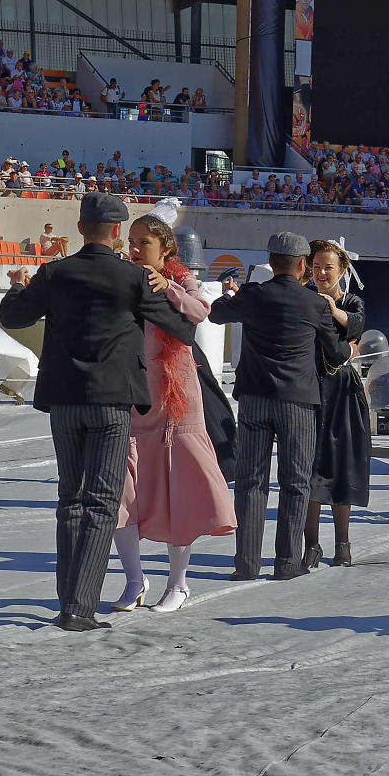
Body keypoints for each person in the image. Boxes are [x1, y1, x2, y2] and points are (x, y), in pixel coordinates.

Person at [0, 192, 198, 628]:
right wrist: (169, 289)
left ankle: (68, 595)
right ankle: (79, 607)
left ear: (81, 228)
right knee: (102, 500)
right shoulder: (132, 277)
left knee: (70, 496)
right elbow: (182, 329)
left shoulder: (55, 273)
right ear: (115, 232)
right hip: (112, 401)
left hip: (64, 399)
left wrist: (18, 282)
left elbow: (12, 316)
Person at [111, 209, 236, 611]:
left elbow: (201, 313)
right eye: (130, 240)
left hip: (176, 398)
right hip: (132, 396)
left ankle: (178, 584)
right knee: (122, 493)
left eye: (142, 242)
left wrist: (168, 287)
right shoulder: (124, 278)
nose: (133, 248)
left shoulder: (180, 279)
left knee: (180, 489)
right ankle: (134, 579)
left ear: (165, 249)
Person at [208, 231, 340, 578]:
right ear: (301, 266)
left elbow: (216, 315)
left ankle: (246, 564)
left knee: (251, 481)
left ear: (270, 262)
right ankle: (286, 563)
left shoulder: (254, 295)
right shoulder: (313, 303)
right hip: (297, 400)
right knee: (295, 481)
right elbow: (337, 352)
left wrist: (229, 294)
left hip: (254, 397)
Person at [305, 238, 370, 567]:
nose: (321, 273)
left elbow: (357, 326)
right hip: (310, 387)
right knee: (310, 467)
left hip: (342, 389)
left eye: (328, 267)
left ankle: (342, 542)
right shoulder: (303, 296)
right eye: (316, 266)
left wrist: (332, 310)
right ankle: (311, 543)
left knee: (341, 467)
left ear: (342, 270)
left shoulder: (351, 301)